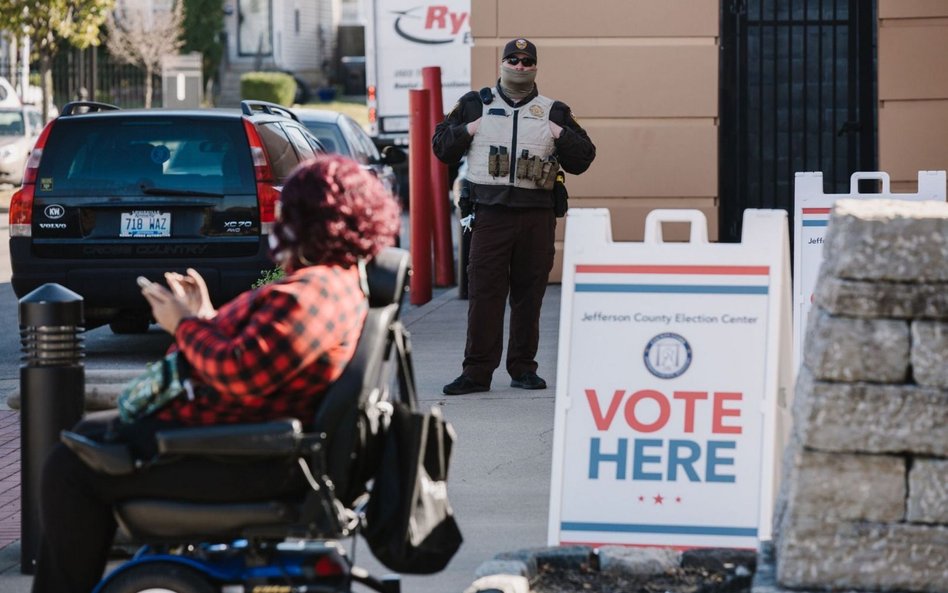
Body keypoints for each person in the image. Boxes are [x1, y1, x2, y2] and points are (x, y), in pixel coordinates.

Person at [31, 154, 401, 593]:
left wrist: (184, 327)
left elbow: (240, 371)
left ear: (308, 220)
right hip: (249, 442)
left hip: (246, 457)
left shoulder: (313, 291)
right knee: (88, 435)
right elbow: (262, 355)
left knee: (70, 465)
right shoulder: (334, 283)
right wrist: (205, 317)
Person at [432, 37, 596, 395]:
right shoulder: (476, 104)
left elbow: (584, 157)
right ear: (502, 64)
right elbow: (441, 146)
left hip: (536, 218)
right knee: (485, 295)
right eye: (513, 60)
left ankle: (523, 369)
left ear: (535, 68)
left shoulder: (553, 110)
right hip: (489, 215)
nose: (520, 67)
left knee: (528, 296)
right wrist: (469, 129)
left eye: (526, 61)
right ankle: (476, 373)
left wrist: (560, 134)